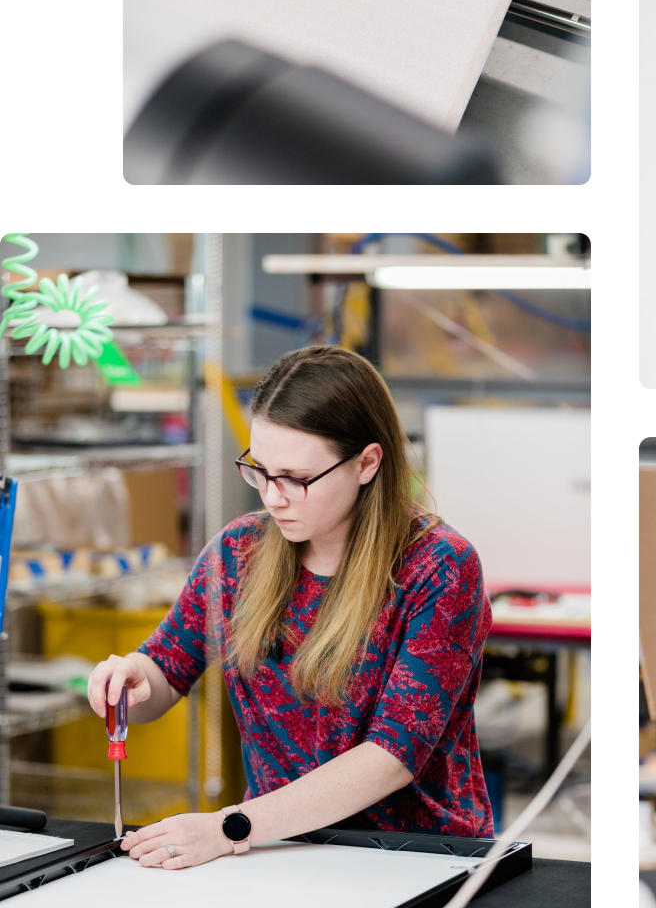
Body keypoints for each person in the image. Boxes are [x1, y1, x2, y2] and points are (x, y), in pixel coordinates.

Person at [85, 344, 495, 868]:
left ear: (367, 463)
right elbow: (165, 672)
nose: (273, 497)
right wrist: (132, 679)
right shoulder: (239, 554)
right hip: (282, 853)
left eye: (297, 478)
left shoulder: (438, 567)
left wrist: (230, 826)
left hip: (420, 858)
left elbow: (391, 757)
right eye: (260, 471)